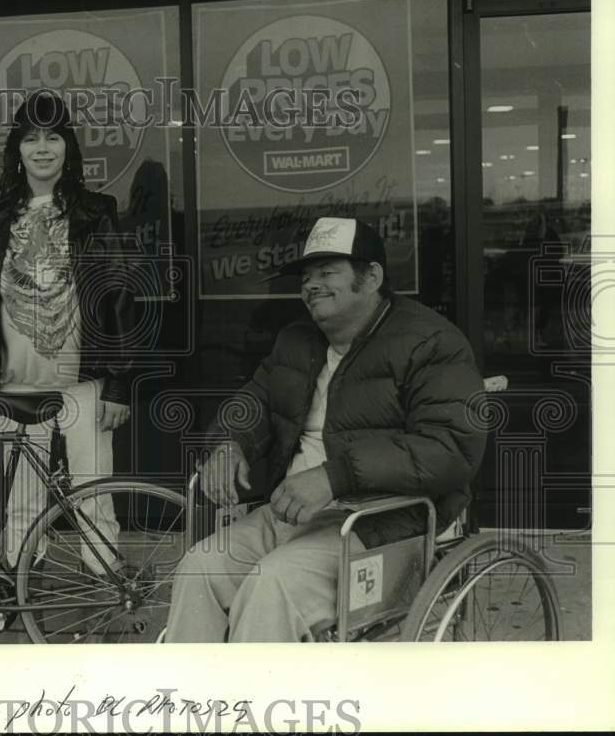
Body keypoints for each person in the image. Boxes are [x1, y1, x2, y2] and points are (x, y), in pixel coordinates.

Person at [164, 216, 487, 642]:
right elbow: (252, 401)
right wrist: (228, 443)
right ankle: (194, 699)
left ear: (371, 276)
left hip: (384, 522)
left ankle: (257, 704)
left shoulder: (431, 342)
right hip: (295, 510)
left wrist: (334, 477)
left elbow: (450, 449)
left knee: (272, 583)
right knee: (201, 565)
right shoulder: (298, 340)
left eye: (327, 272)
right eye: (306, 277)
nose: (311, 285)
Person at [0, 89, 135, 571]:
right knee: (21, 494)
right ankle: (16, 578)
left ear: (68, 148)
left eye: (52, 137)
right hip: (16, 383)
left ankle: (104, 578)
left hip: (83, 382)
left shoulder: (95, 211)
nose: (42, 148)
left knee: (93, 489)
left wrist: (118, 382)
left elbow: (114, 294)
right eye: (31, 138)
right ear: (16, 150)